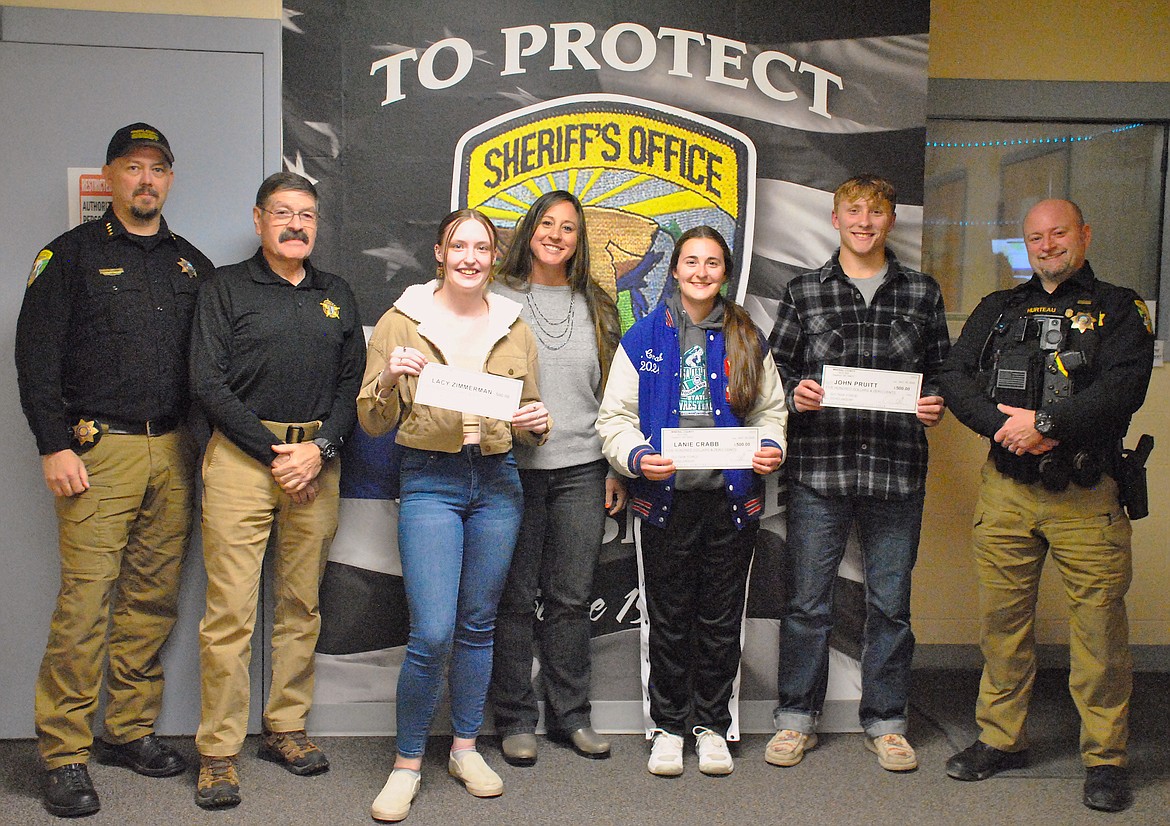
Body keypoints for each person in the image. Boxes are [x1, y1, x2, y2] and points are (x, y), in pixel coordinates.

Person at [14, 122, 212, 818]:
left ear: (170, 179)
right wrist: (52, 443)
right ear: (109, 178)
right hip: (99, 454)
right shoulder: (67, 258)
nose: (146, 180)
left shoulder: (192, 266)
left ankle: (127, 730)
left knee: (151, 601)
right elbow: (35, 361)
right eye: (133, 168)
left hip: (175, 452)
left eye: (158, 168)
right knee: (86, 604)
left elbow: (212, 368)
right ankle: (64, 751)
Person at [939, 198, 1154, 813]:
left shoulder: (1119, 308)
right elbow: (954, 376)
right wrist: (1003, 429)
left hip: (1086, 495)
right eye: (1036, 236)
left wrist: (1050, 425)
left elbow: (1124, 387)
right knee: (1003, 627)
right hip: (1006, 492)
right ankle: (1000, 740)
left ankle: (1106, 758)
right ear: (1025, 244)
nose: (1048, 244)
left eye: (1059, 232)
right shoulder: (999, 309)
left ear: (1083, 234)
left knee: (1099, 632)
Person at [357, 209, 550, 822]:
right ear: (439, 252)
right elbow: (371, 419)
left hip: (497, 482)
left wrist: (537, 424)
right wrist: (387, 376)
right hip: (430, 482)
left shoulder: (515, 325)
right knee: (432, 630)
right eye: (458, 245)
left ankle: (466, 747)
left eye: (482, 247)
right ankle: (407, 762)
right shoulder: (401, 320)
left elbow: (534, 419)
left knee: (477, 624)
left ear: (495, 258)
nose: (470, 257)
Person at [189, 172, 364, 809]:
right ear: (259, 219)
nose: (296, 225)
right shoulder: (225, 289)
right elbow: (206, 384)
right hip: (241, 458)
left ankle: (286, 728)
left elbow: (353, 386)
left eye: (308, 214)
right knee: (230, 611)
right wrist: (275, 454)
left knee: (301, 604)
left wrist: (317, 451)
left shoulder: (336, 294)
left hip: (316, 459)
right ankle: (217, 751)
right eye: (283, 213)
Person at [766, 174, 950, 773]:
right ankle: (797, 718)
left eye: (876, 212)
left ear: (890, 220)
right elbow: (776, 372)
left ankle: (887, 721)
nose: (864, 222)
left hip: (896, 472)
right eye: (853, 211)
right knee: (806, 604)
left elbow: (944, 374)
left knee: (890, 605)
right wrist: (799, 395)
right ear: (836, 219)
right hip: (821, 471)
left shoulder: (921, 293)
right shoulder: (804, 291)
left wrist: (935, 402)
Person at [596, 226, 787, 777]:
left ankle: (712, 726)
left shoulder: (748, 336)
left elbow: (771, 412)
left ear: (725, 274)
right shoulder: (644, 338)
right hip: (664, 501)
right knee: (669, 619)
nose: (701, 272)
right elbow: (615, 419)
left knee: (722, 619)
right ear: (674, 271)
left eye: (712, 263)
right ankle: (666, 726)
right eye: (691, 262)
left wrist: (772, 444)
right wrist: (634, 457)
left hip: (731, 504)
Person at [488, 191, 626, 766]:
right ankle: (516, 717)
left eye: (569, 228)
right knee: (514, 600)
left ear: (579, 240)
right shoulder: (494, 296)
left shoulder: (597, 302)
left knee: (571, 599)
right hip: (512, 472)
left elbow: (617, 394)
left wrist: (617, 467)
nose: (557, 234)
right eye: (547, 223)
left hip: (582, 471)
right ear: (529, 230)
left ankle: (572, 715)